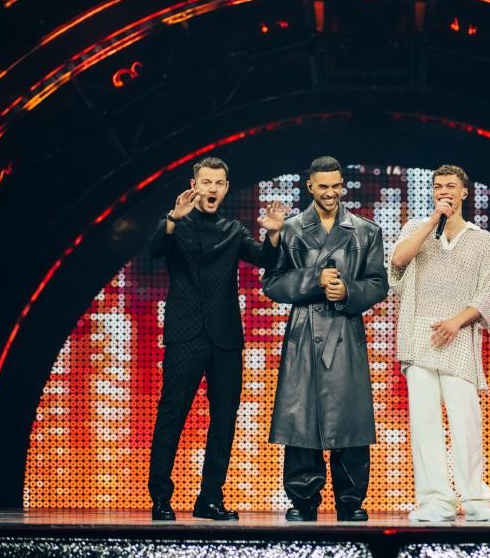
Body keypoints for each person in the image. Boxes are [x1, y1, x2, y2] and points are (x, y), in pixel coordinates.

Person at [147, 156, 286, 521]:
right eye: (206, 182)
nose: (212, 189)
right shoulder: (177, 224)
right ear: (194, 184)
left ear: (225, 188)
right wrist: (173, 219)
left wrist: (273, 233)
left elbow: (266, 260)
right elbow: (154, 250)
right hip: (185, 333)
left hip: (225, 337)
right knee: (171, 415)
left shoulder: (232, 230)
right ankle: (160, 497)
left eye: (218, 183)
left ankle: (209, 497)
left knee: (224, 419)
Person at [262, 156, 389, 522]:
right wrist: (313, 280)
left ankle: (351, 502)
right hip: (303, 332)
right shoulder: (290, 229)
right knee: (302, 418)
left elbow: (378, 284)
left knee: (349, 417)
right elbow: (271, 282)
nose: (331, 192)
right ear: (311, 187)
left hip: (345, 332)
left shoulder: (365, 230)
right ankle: (303, 501)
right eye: (324, 186)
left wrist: (347, 290)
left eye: (336, 186)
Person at [389, 165, 490, 522]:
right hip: (419, 335)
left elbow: (488, 294)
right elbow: (397, 261)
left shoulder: (480, 239)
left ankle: (474, 497)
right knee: (425, 423)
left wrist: (455, 322)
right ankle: (435, 500)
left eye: (451, 186)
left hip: (459, 336)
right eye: (438, 187)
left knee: (465, 420)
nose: (444, 191)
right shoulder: (416, 229)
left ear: (465, 192)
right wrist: (431, 221)